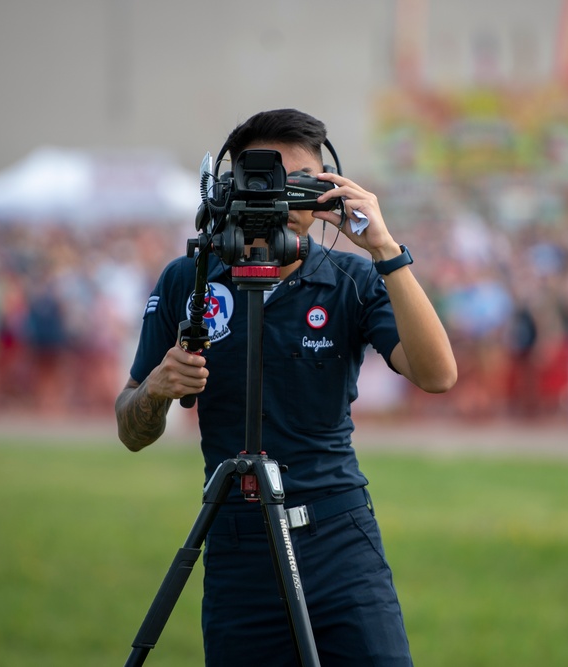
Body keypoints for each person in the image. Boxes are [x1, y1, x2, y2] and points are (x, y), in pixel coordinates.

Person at [115, 108, 457, 666]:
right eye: (269, 183)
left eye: (304, 185)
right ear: (231, 189)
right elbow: (131, 428)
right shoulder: (189, 278)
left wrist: (385, 248)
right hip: (237, 543)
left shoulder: (354, 279)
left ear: (331, 191)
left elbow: (439, 375)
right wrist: (155, 388)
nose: (285, 202)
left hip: (339, 540)